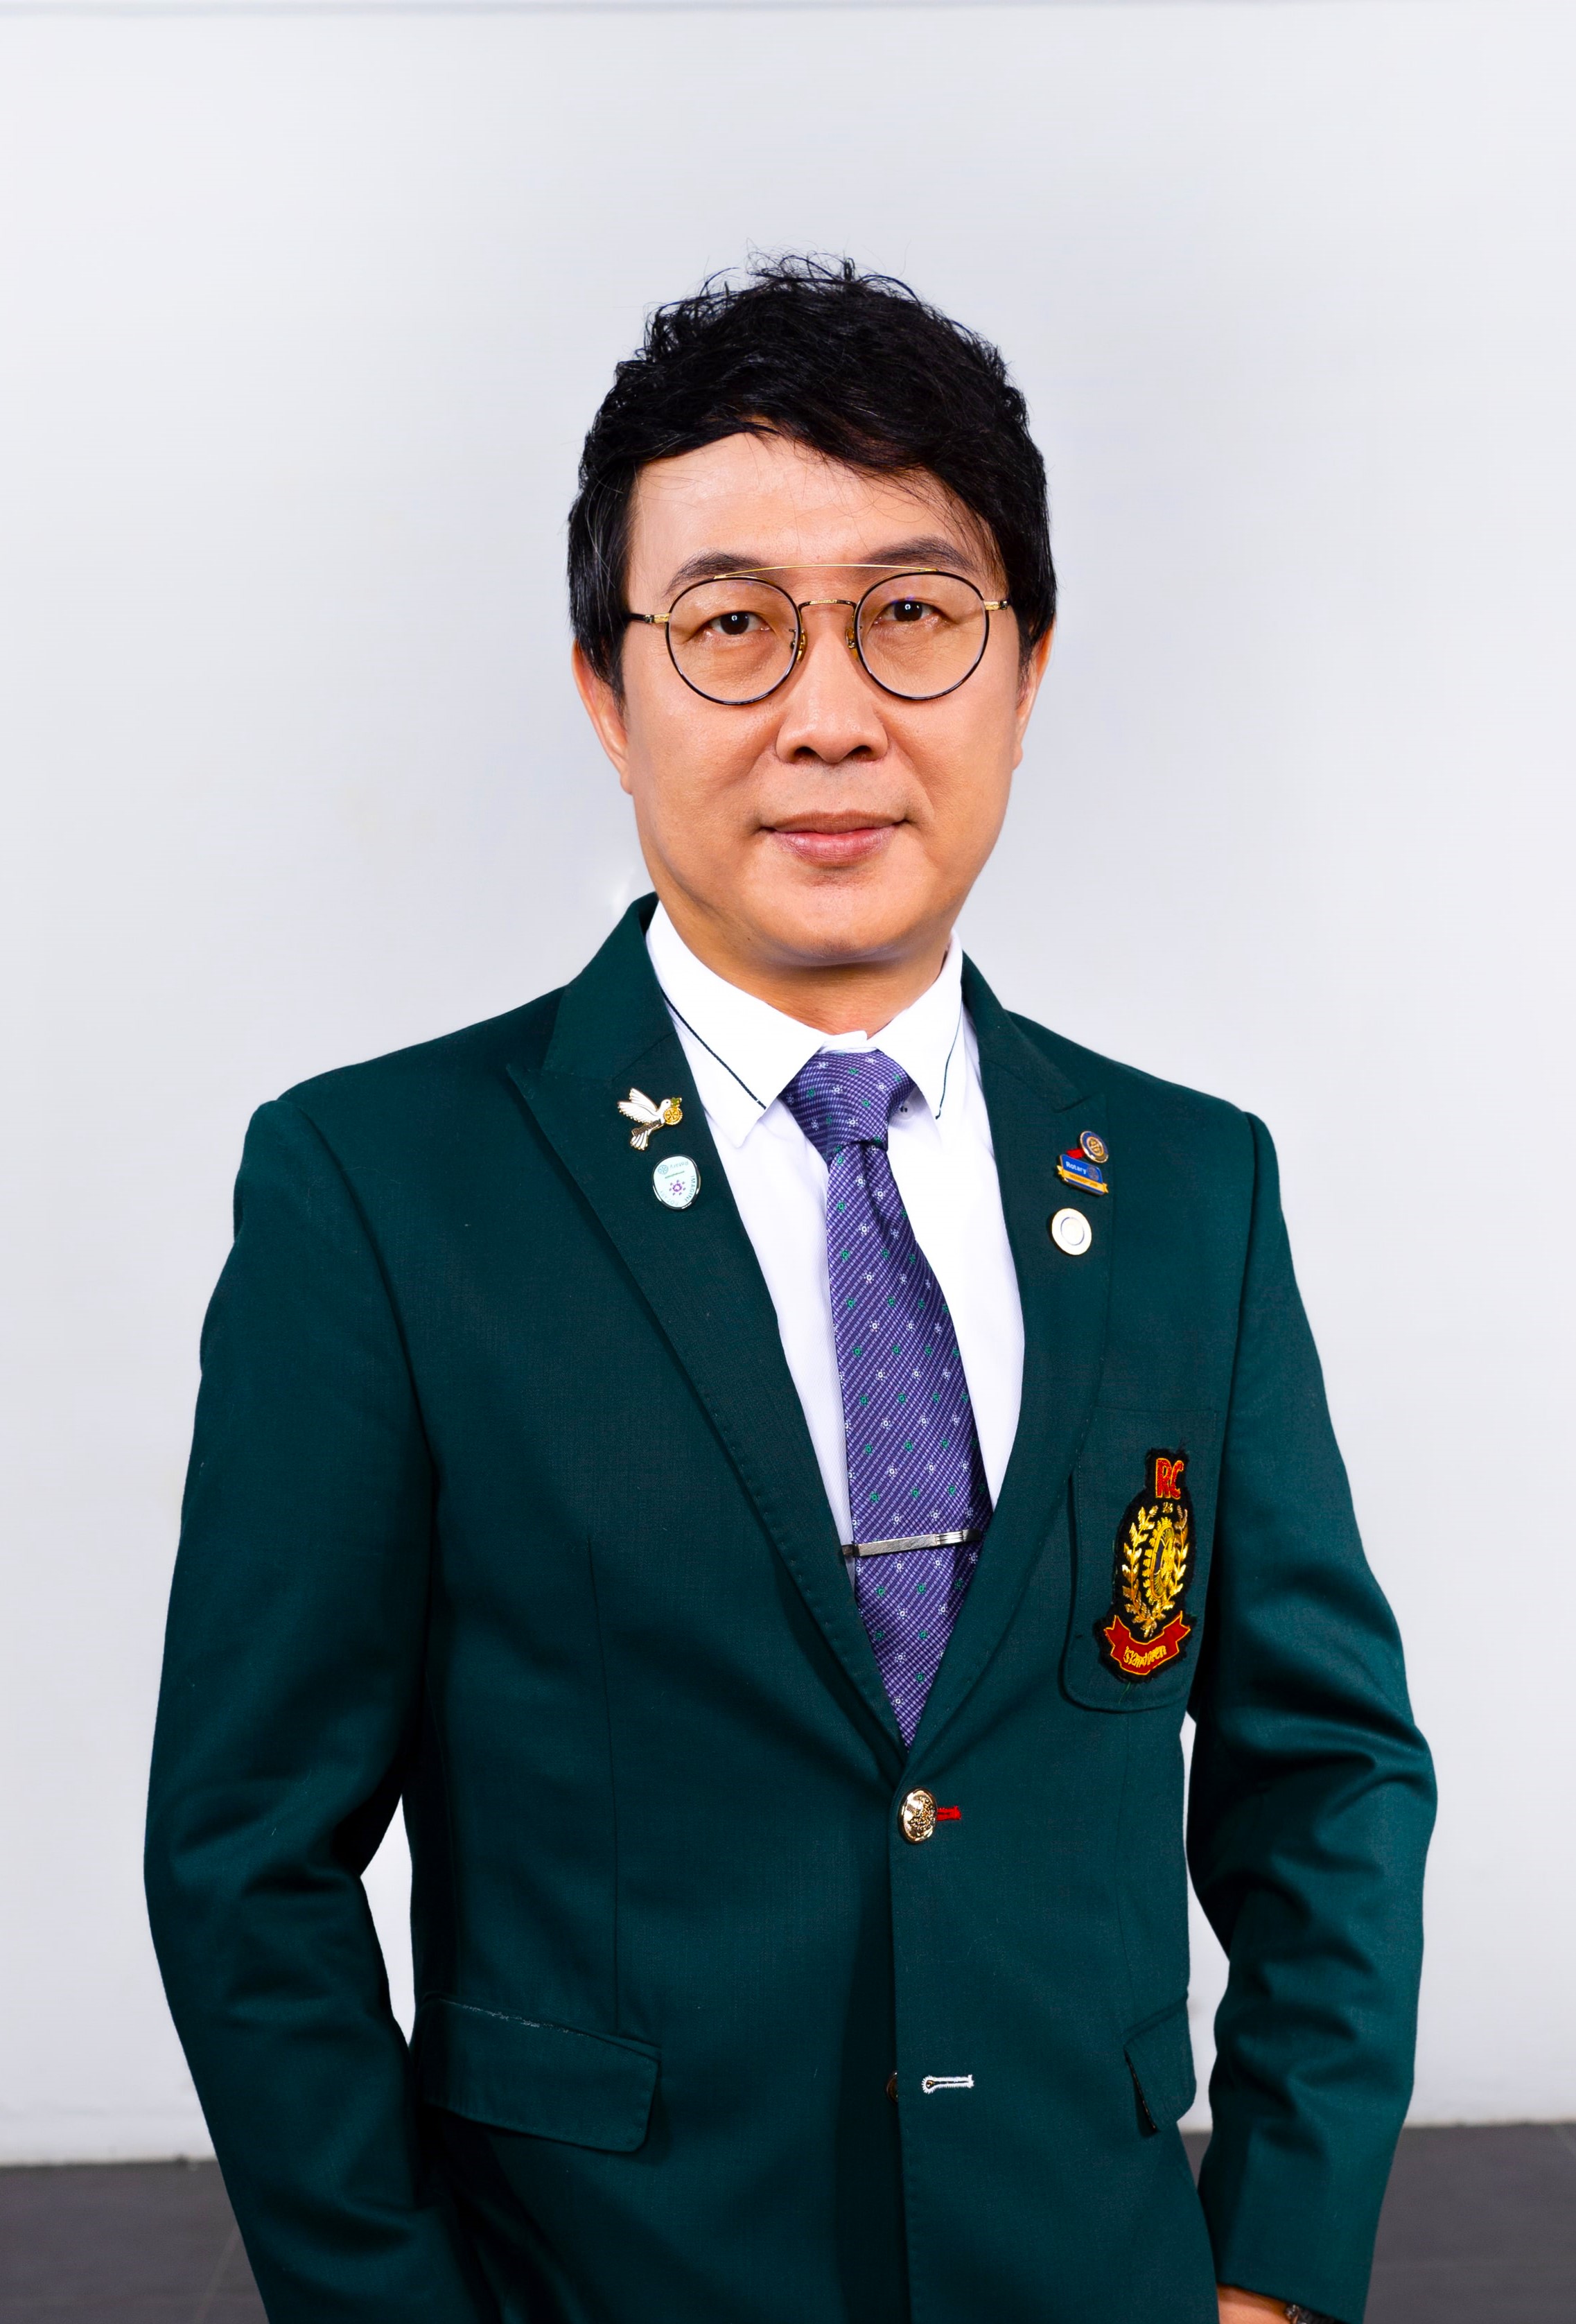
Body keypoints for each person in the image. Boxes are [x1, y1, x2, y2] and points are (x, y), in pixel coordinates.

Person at [145, 257, 1435, 2324]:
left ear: (1023, 671)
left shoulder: (1191, 1185)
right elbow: (247, 1856)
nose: (829, 715)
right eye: (733, 625)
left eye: (911, 616)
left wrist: (1276, 2270)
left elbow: (1329, 1769)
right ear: (607, 690)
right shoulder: (380, 1191)